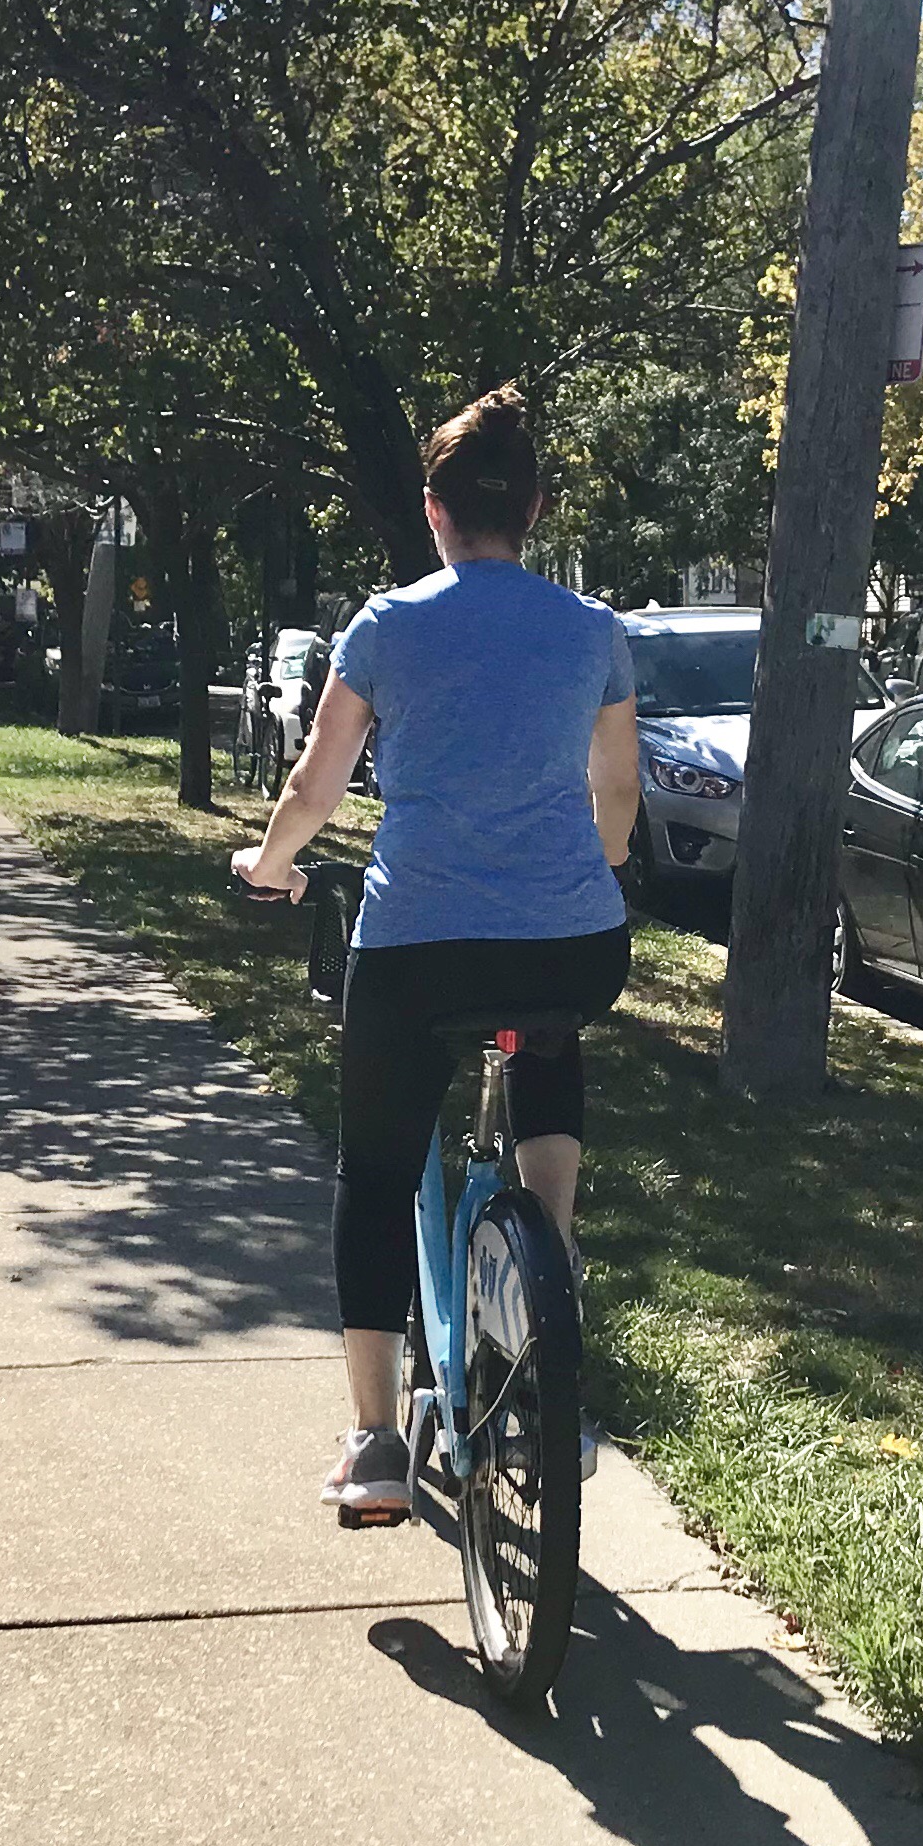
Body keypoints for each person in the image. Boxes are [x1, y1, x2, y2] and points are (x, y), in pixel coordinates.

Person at [232, 386, 640, 1526]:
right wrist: (590, 870)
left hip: (419, 948)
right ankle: (545, 1300)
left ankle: (372, 1443)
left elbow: (318, 783)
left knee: (374, 1170)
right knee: (546, 1037)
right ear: (538, 508)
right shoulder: (593, 630)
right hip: (571, 942)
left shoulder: (387, 626)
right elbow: (617, 798)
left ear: (434, 511)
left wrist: (268, 866)